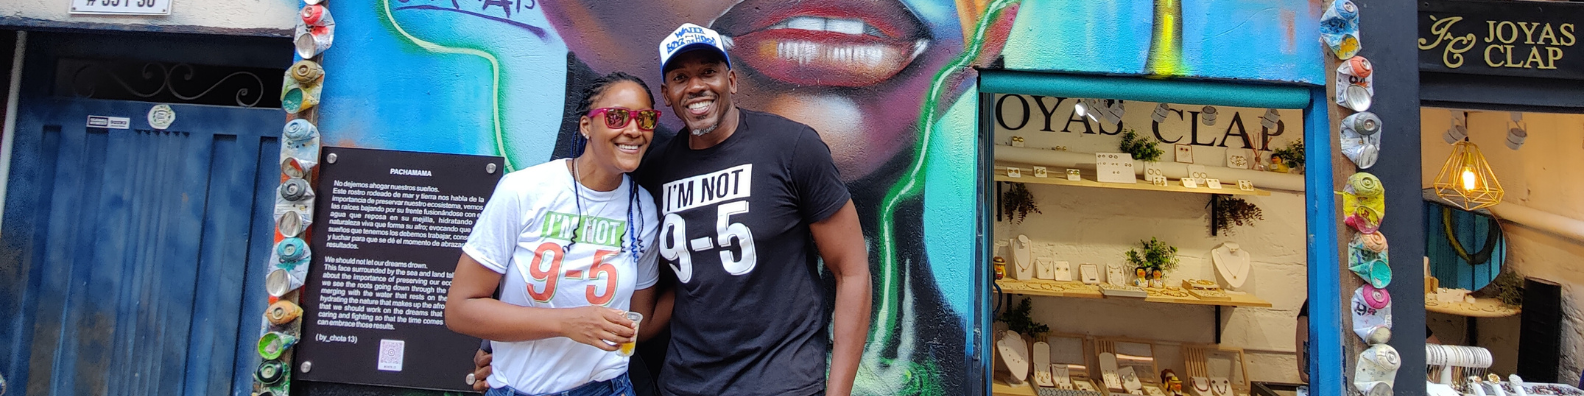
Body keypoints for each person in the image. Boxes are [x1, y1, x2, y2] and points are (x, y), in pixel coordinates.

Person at [445, 72, 669, 396]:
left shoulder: (643, 208)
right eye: (617, 117)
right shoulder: (524, 191)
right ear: (586, 126)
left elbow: (639, 323)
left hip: (606, 389)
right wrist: (567, 323)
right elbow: (460, 309)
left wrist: (703, 283)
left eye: (645, 119)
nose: (634, 130)